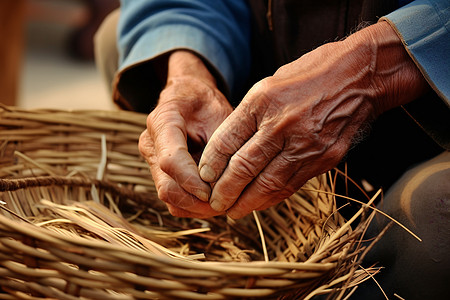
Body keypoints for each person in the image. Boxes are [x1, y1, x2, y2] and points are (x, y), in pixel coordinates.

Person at [94, 0, 449, 298]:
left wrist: (374, 67)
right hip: (277, 54)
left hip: (432, 94)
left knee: (432, 228)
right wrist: (187, 69)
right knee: (120, 37)